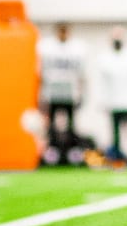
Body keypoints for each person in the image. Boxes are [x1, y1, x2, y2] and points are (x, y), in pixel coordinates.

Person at [37, 21, 88, 166]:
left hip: (70, 92)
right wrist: (42, 94)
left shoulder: (77, 48)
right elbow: (41, 72)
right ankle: (53, 152)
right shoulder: (46, 47)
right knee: (52, 126)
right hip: (53, 92)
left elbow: (82, 74)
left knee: (72, 125)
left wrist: (82, 92)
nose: (63, 34)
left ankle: (71, 151)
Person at [96, 26, 127, 167]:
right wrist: (103, 100)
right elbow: (103, 83)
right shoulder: (105, 58)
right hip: (113, 102)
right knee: (116, 134)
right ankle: (118, 160)